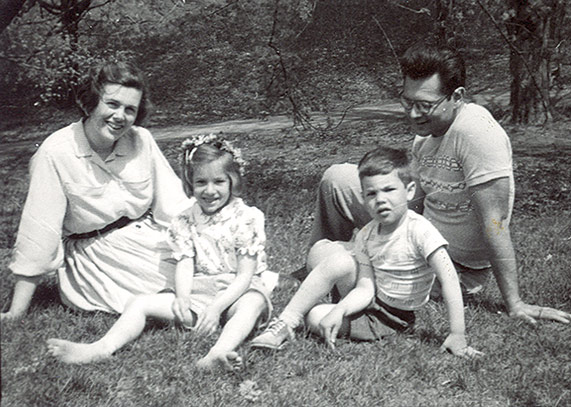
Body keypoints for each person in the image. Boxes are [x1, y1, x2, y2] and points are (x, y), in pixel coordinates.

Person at [299, 42, 571, 325]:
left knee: (328, 256)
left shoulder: (477, 133)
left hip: (450, 265)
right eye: (408, 101)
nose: (414, 114)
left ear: (457, 96)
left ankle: (335, 277)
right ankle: (324, 269)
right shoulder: (426, 134)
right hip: (416, 235)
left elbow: (495, 222)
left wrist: (515, 303)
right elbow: (415, 201)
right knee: (337, 178)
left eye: (425, 105)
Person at [48, 134, 278, 370]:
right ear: (190, 183)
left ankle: (216, 354)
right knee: (139, 302)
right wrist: (183, 297)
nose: (209, 191)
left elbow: (245, 276)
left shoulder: (246, 218)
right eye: (200, 182)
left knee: (252, 304)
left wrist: (217, 307)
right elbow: (185, 263)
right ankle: (101, 347)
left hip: (239, 290)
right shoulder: (185, 220)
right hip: (203, 289)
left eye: (219, 182)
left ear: (232, 182)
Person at [1, 60, 193, 320]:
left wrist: (215, 230)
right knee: (184, 296)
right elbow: (38, 234)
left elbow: (174, 205)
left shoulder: (141, 140)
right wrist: (17, 311)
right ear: (91, 102)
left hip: (148, 237)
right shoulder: (56, 152)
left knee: (211, 268)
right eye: (112, 104)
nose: (120, 117)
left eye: (130, 109)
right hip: (97, 256)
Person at [251, 147, 482, 358]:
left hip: (391, 319)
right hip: (371, 299)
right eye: (371, 194)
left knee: (315, 316)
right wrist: (341, 309)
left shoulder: (420, 230)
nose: (380, 200)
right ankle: (286, 323)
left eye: (389, 190)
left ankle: (299, 318)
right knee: (334, 269)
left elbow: (449, 278)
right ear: (363, 198)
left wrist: (457, 333)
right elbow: (365, 286)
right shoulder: (367, 234)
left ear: (410, 191)